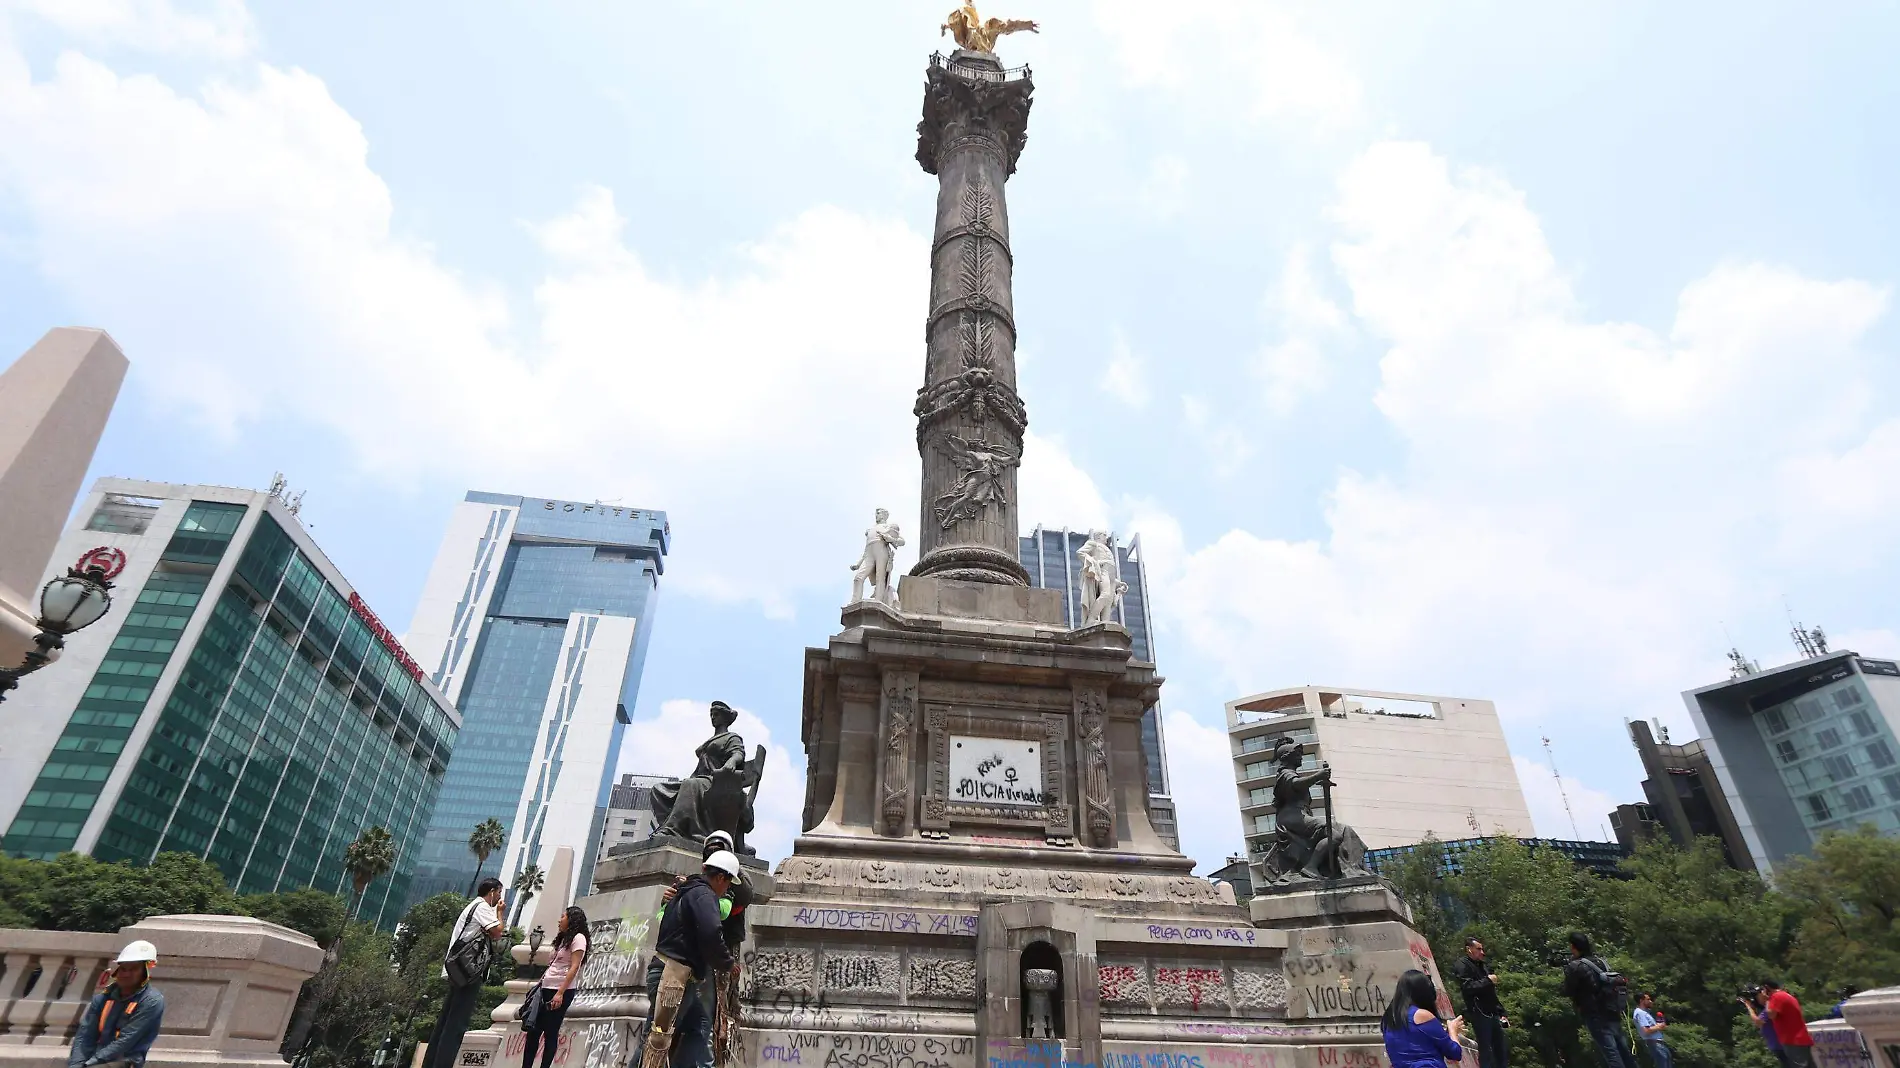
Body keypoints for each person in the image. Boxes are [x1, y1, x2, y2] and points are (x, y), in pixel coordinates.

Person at [637, 851, 739, 1068]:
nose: (727, 890)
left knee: (699, 1027)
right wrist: (727, 963)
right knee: (656, 1040)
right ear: (721, 878)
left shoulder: (686, 892)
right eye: (729, 884)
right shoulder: (704, 895)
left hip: (678, 976)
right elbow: (711, 933)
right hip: (673, 977)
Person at [659, 831, 751, 1068]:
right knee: (662, 1034)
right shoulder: (698, 890)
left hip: (704, 965)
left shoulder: (716, 885)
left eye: (720, 848)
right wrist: (670, 899)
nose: (713, 851)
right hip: (682, 969)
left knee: (702, 1025)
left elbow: (736, 902)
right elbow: (703, 929)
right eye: (710, 849)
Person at [422, 878, 506, 1068]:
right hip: (468, 972)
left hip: (458, 969)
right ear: (492, 891)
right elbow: (497, 932)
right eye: (499, 893)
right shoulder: (482, 907)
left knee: (446, 1020)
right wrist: (500, 913)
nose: (500, 897)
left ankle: (432, 1062)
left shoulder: (473, 907)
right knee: (456, 1025)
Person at [69, 940, 166, 1068]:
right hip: (94, 1059)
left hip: (124, 1060)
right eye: (123, 969)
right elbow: (85, 1035)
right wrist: (76, 1064)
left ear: (145, 973)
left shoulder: (151, 1001)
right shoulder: (102, 999)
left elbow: (125, 1041)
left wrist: (89, 1064)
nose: (126, 974)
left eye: (133, 969)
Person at [520, 905, 588, 1068]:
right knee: (533, 1031)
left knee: (550, 1032)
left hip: (560, 990)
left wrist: (560, 993)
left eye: (563, 916)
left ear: (572, 919)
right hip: (545, 988)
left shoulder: (578, 938)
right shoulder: (563, 939)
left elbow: (574, 967)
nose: (559, 920)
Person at [1560, 933, 1637, 1068]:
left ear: (1573, 946)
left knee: (1611, 1054)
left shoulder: (1575, 966)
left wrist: (1567, 970)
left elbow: (1567, 990)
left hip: (1595, 1015)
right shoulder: (1601, 962)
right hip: (1613, 1012)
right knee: (1624, 1052)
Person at [1380, 968, 1464, 1067]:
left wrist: (1447, 1034)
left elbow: (1420, 1046)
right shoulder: (1422, 1015)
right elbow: (1454, 1053)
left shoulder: (1388, 1020)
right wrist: (1453, 1031)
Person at [1451, 937, 1509, 1068]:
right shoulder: (1462, 965)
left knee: (1501, 1050)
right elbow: (1467, 987)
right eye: (1478, 949)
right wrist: (1488, 980)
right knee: (1485, 1050)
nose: (1482, 952)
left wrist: (1501, 1012)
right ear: (1469, 949)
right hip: (1479, 1012)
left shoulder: (1483, 966)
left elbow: (1491, 993)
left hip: (1493, 1012)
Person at [1760, 980, 1816, 1068]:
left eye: (1763, 989)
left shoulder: (1776, 997)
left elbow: (1771, 1015)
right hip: (1801, 1037)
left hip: (1792, 1040)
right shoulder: (1786, 995)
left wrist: (1767, 1000)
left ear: (1767, 988)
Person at [1742, 988, 1793, 1068]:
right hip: (1779, 1045)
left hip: (1780, 1045)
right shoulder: (1768, 1007)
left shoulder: (1769, 1007)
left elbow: (1758, 1022)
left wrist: (1749, 1007)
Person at [1631, 992, 1671, 1068]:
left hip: (1658, 1043)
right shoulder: (1640, 1013)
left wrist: (1659, 1026)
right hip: (1654, 1043)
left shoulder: (1645, 1013)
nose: (1651, 1001)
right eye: (1648, 999)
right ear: (1641, 1000)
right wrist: (1659, 1026)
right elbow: (1646, 1030)